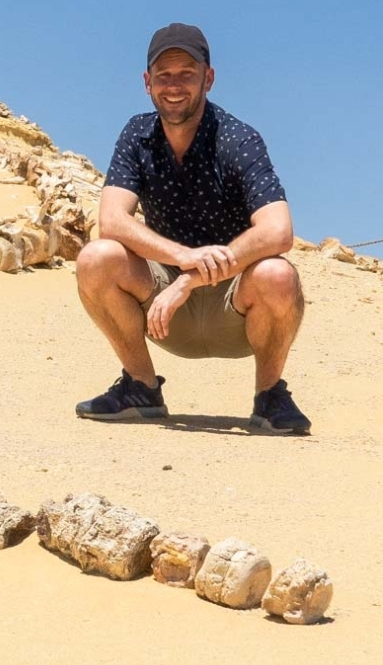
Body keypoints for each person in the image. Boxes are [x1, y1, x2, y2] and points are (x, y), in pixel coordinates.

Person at [73, 22, 310, 434]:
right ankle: (140, 387)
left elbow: (278, 231)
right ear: (147, 82)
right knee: (96, 258)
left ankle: (270, 395)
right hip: (164, 310)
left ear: (208, 78)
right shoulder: (137, 135)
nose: (174, 85)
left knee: (278, 273)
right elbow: (111, 220)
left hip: (236, 308)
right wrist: (182, 258)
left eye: (186, 73)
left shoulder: (238, 139)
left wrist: (191, 278)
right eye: (163, 75)